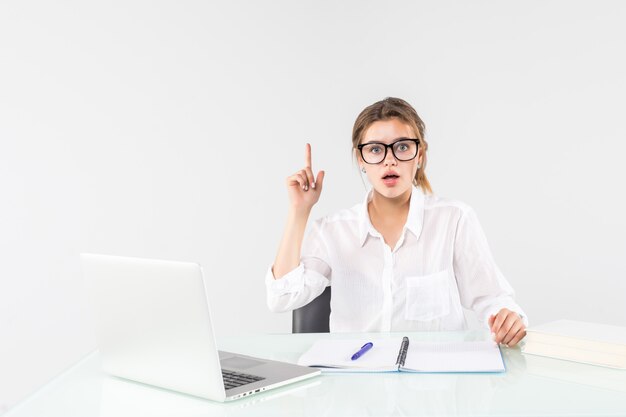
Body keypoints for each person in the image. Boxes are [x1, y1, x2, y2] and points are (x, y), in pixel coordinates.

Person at [265, 97, 528, 347]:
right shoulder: (333, 230)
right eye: (376, 149)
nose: (389, 159)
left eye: (402, 147)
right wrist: (299, 211)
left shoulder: (455, 219)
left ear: (420, 154)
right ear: (361, 160)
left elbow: (492, 298)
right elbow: (281, 297)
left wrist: (507, 319)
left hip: (435, 384)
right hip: (356, 381)